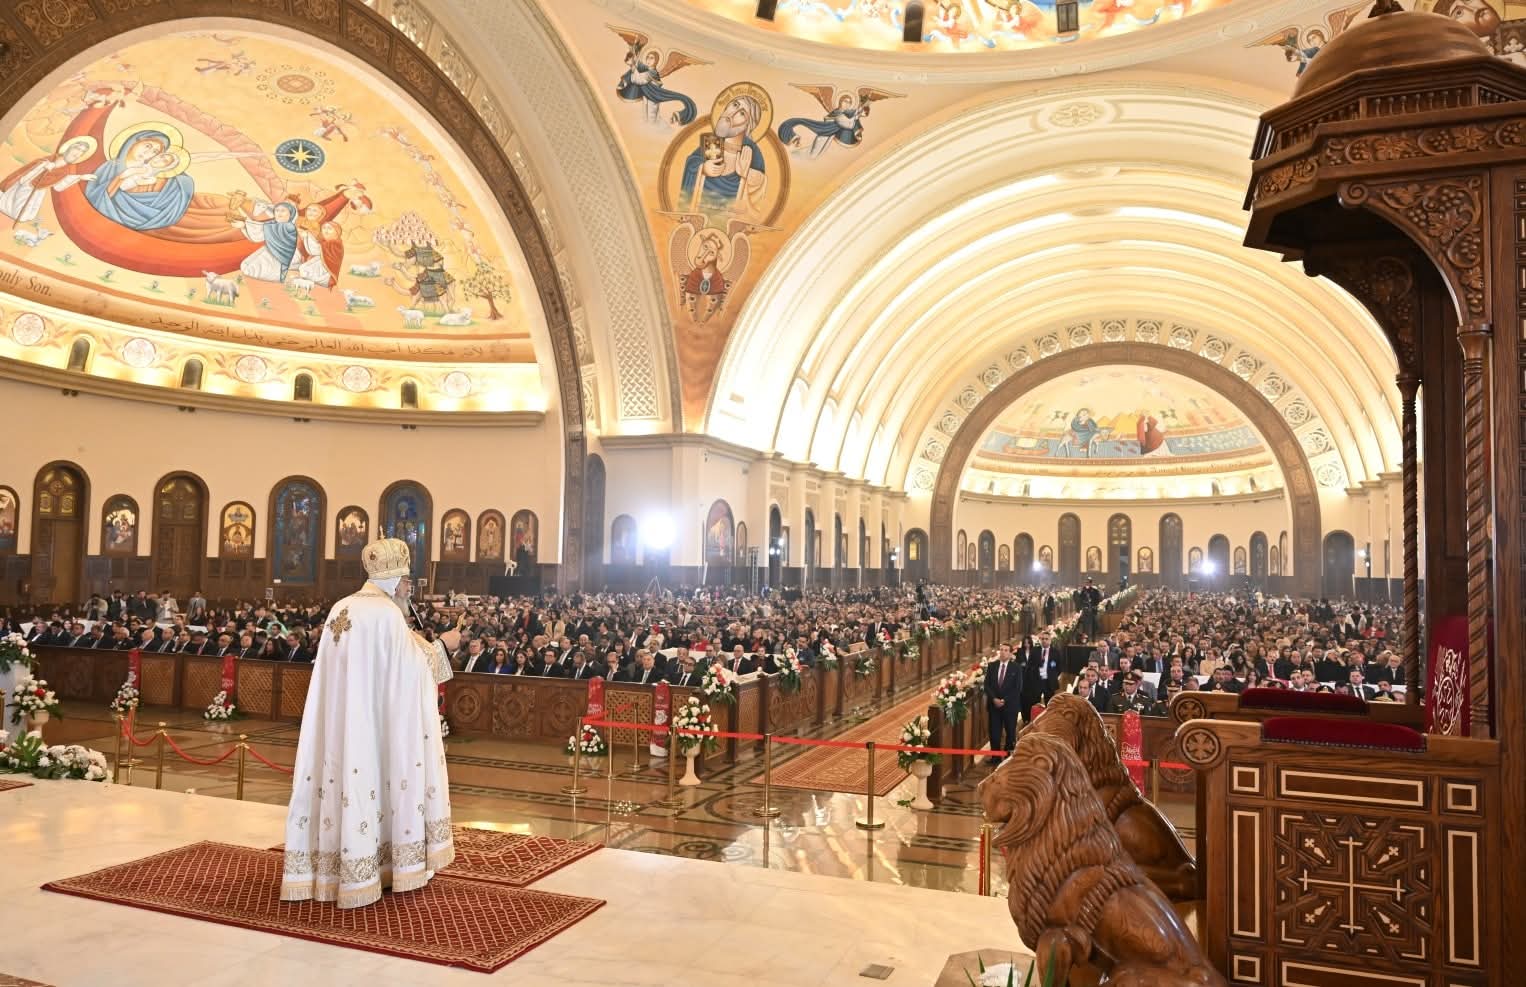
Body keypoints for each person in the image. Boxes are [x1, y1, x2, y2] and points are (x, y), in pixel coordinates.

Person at [282, 537, 454, 909]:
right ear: (395, 580)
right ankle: (385, 867)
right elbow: (411, 673)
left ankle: (332, 871)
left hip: (341, 725)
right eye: (407, 581)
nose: (408, 589)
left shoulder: (341, 607)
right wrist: (444, 645)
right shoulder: (387, 614)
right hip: (376, 728)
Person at [984, 643, 1022, 765]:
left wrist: (1004, 700)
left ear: (1010, 654)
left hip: (1010, 706)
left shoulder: (1016, 668)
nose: (1003, 652)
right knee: (994, 733)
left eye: (1006, 650)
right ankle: (995, 757)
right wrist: (994, 699)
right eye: (1001, 650)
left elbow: (1017, 688)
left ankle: (1007, 757)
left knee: (1010, 733)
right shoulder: (992, 666)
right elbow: (987, 685)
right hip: (994, 706)